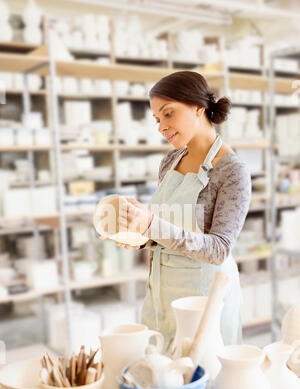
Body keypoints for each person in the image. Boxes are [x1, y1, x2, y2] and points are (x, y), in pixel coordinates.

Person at [99, 70, 251, 348]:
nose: (161, 127)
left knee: (201, 381)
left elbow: (217, 249)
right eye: (157, 119)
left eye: (168, 114)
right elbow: (165, 230)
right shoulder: (170, 161)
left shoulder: (232, 171)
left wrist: (150, 225)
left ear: (198, 107)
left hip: (203, 304)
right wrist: (137, 233)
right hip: (161, 298)